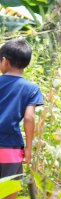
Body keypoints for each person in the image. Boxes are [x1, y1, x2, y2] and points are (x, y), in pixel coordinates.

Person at [0, 39, 43, 191]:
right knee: (9, 192)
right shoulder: (31, 89)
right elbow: (29, 118)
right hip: (11, 147)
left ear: (5, 61)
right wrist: (29, 148)